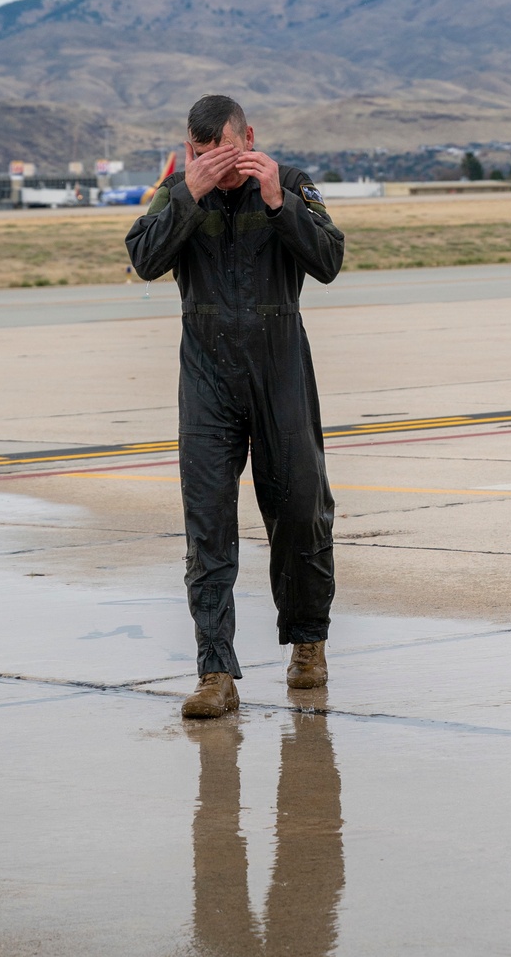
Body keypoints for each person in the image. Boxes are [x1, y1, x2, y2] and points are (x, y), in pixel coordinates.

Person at [125, 94, 345, 718]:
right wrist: (188, 195)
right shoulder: (177, 191)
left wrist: (277, 202)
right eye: (200, 153)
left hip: (280, 367)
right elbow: (143, 259)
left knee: (301, 511)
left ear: (248, 137)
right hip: (207, 375)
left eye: (222, 151)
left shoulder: (291, 184)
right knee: (208, 526)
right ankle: (215, 673)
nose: (213, 164)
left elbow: (328, 261)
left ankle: (308, 644)